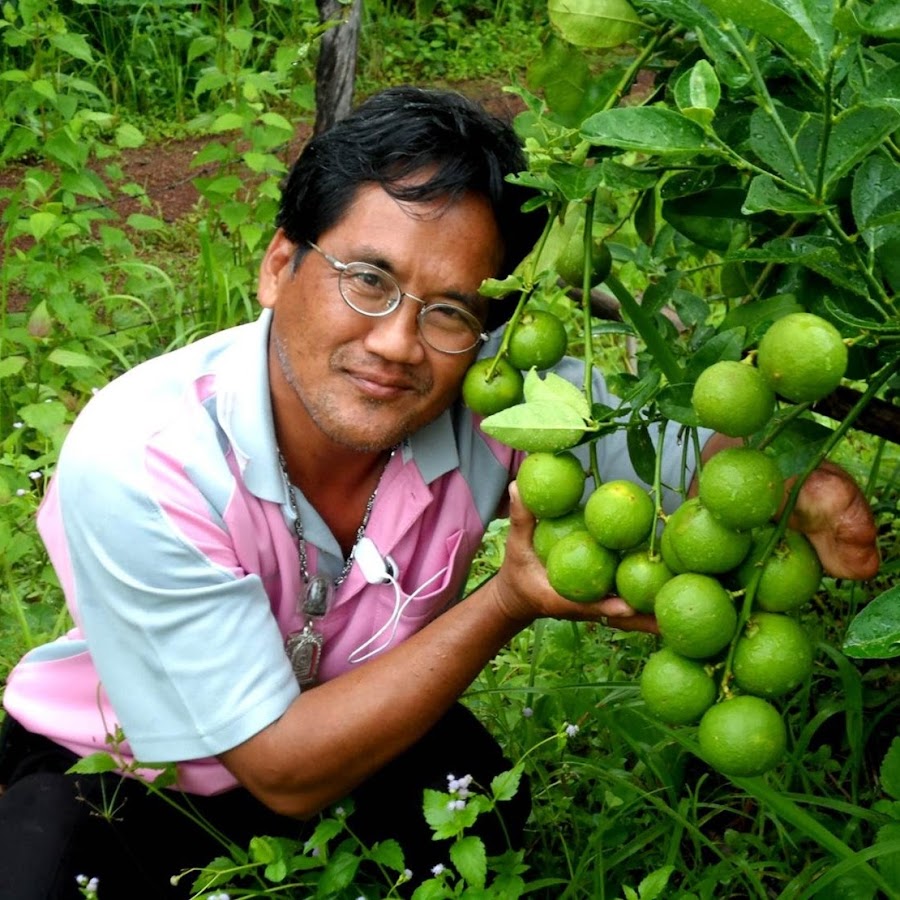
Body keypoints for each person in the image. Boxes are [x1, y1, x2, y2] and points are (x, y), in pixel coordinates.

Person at [0, 86, 879, 900]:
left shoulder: (496, 401)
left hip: (355, 722)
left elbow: (674, 441)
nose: (398, 345)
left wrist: (802, 480)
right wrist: (509, 601)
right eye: (368, 282)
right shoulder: (143, 458)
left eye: (451, 310)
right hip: (124, 773)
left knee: (487, 822)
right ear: (278, 266)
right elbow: (277, 765)